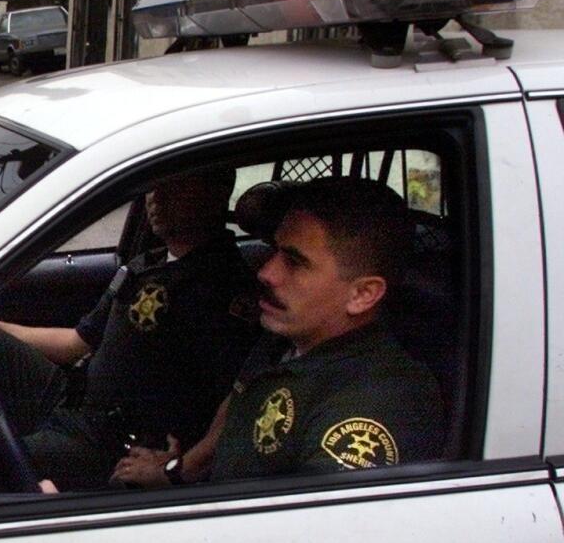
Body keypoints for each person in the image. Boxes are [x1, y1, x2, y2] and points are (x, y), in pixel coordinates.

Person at [0, 167, 259, 491]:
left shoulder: (224, 290)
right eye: (154, 187)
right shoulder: (149, 264)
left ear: (216, 193)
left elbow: (239, 394)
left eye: (173, 187)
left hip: (110, 445)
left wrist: (179, 465)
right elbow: (76, 343)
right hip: (73, 399)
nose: (155, 198)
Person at [111, 176, 444, 488]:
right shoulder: (288, 335)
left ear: (362, 295)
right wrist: (176, 471)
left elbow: (312, 539)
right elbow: (240, 402)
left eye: (295, 262)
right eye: (275, 252)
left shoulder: (373, 404)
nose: (266, 272)